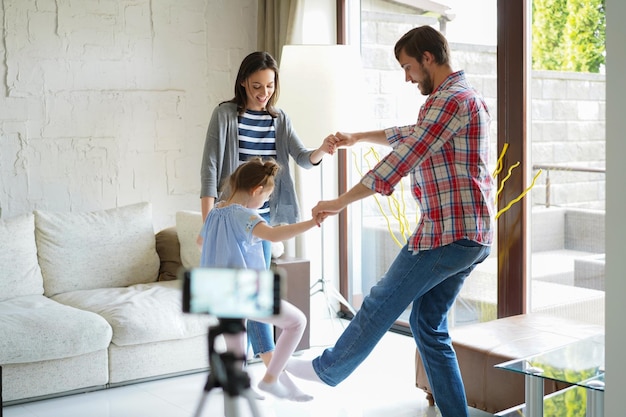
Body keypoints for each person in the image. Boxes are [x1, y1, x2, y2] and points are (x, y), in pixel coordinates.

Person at [286, 26, 495, 417]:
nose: (407, 76)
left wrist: (338, 202)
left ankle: (326, 369)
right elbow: (411, 134)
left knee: (381, 299)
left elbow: (403, 159)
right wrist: (358, 137)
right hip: (471, 235)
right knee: (428, 325)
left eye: (409, 66)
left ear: (428, 58)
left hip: (446, 233)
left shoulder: (448, 100)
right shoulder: (462, 98)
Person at [199, 50, 336, 388]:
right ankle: (268, 371)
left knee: (256, 298)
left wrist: (323, 148)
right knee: (251, 299)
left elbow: (304, 158)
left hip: (263, 221)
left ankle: (268, 371)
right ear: (243, 81)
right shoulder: (226, 115)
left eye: (270, 86)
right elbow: (210, 169)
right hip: (232, 220)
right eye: (257, 85)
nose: (263, 93)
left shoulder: (279, 119)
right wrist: (207, 225)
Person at [199, 157, 326, 401]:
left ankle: (240, 391)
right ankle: (270, 379)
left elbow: (202, 241)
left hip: (214, 290)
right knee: (297, 321)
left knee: (236, 353)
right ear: (256, 190)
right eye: (266, 197)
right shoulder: (247, 217)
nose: (266, 202)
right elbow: (275, 235)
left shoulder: (215, 212)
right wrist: (311, 223)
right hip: (242, 291)